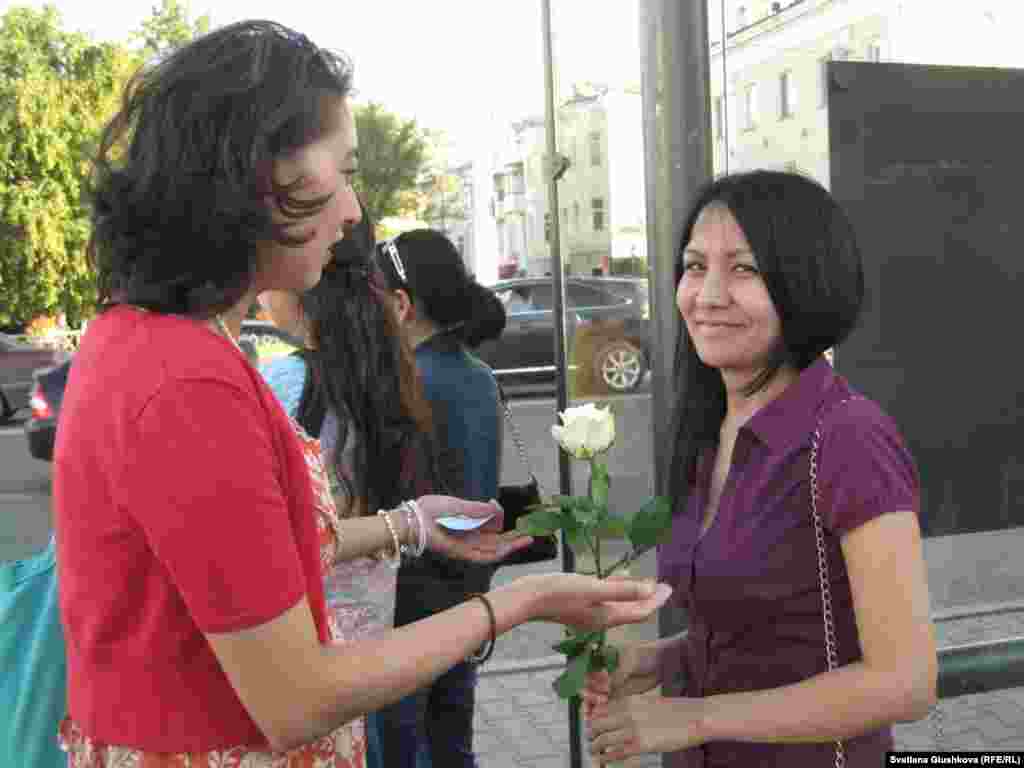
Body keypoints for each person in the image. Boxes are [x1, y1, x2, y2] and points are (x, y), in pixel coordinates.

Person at [53, 20, 671, 768]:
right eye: (343, 172)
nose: (351, 211)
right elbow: (298, 698)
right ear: (253, 174)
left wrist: (409, 524)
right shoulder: (189, 383)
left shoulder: (151, 341)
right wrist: (522, 602)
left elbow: (247, 560)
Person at [583, 170, 937, 767]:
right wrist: (658, 661)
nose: (708, 294)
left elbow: (906, 682)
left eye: (744, 269)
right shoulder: (709, 431)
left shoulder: (846, 436)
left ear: (804, 281)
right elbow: (765, 633)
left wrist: (694, 716)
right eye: (695, 266)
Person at [259, 201, 440, 768]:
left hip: (307, 658)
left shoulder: (284, 382)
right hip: (371, 653)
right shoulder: (386, 370)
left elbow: (283, 538)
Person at [373, 229, 508, 768]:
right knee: (453, 742)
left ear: (401, 305)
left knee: (402, 748)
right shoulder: (479, 376)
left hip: (408, 605)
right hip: (468, 597)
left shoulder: (405, 384)